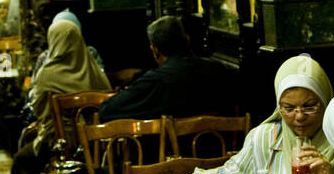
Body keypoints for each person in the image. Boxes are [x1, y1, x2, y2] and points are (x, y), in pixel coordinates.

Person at [123, 55, 334, 174]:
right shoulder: (266, 139)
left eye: (310, 107)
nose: (299, 117)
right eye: (288, 108)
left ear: (326, 101)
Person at [1, 19, 111, 174]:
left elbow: (38, 109)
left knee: (22, 160)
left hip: (59, 149)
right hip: (95, 150)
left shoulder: (47, 73)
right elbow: (108, 102)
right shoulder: (92, 69)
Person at [97, 16, 239, 124]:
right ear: (187, 40)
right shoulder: (220, 71)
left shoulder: (155, 82)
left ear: (155, 51)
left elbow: (106, 111)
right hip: (222, 155)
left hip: (171, 160)